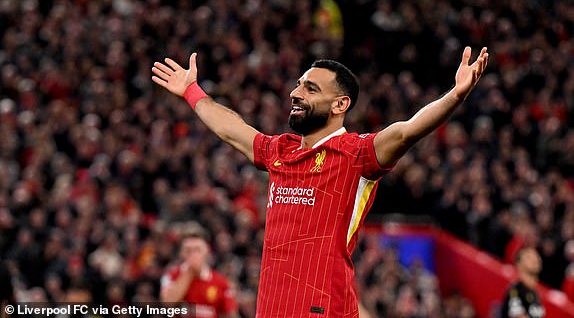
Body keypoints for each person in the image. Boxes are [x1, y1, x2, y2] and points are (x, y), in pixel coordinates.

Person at [151, 46, 488, 317]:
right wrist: (192, 92)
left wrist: (455, 96)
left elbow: (406, 131)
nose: (296, 93)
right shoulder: (279, 151)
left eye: (310, 88)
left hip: (325, 307)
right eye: (299, 84)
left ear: (341, 104)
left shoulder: (356, 154)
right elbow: (231, 128)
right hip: (272, 308)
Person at [160, 227, 238, 318]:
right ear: (181, 252)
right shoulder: (171, 275)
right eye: (188, 250)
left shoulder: (221, 282)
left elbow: (231, 314)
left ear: (207, 251)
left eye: (197, 249)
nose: (193, 254)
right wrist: (189, 273)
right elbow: (167, 303)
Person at [500, 247, 545, 318]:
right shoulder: (515, 291)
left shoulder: (534, 293)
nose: (535, 259)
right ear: (519, 264)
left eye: (536, 256)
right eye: (528, 257)